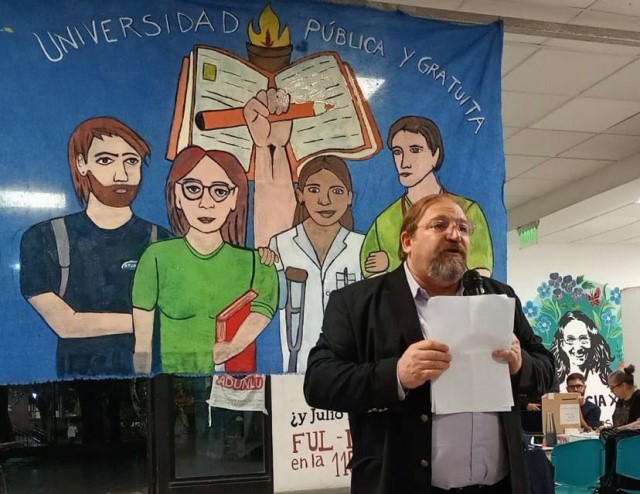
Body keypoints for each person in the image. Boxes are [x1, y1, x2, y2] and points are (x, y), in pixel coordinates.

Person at [304, 193, 555, 494]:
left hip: (500, 486)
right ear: (407, 241)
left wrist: (520, 364)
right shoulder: (357, 303)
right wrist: (396, 375)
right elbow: (319, 382)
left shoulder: (498, 296)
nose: (454, 235)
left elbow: (547, 369)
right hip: (402, 485)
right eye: (439, 225)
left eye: (463, 228)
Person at [19, 117, 171, 445]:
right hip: (79, 384)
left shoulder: (162, 241)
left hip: (149, 394)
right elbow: (66, 324)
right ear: (81, 164)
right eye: (105, 160)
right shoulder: (44, 239)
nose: (121, 174)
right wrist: (147, 320)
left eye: (131, 161)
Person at [132, 146, 278, 374]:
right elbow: (142, 346)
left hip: (234, 384)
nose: (206, 203)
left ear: (234, 197)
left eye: (219, 191)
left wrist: (233, 346)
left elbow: (263, 310)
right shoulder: (156, 258)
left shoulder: (257, 265)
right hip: (171, 384)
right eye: (193, 189)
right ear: (177, 195)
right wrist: (141, 379)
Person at [263, 155, 364, 372]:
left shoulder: (361, 246)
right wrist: (263, 266)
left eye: (336, 191)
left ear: (349, 197)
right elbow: (273, 301)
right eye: (314, 190)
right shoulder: (280, 244)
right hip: (298, 365)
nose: (324, 201)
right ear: (300, 195)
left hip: (350, 366)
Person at [360, 116, 493, 278]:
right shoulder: (382, 223)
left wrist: (392, 262)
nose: (404, 162)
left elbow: (480, 277)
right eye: (397, 152)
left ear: (435, 155)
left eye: (415, 150)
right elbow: (373, 285)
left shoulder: (467, 212)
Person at [551, 310, 613, 387]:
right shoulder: (554, 381)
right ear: (561, 344)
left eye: (583, 339)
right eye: (570, 340)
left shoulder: (605, 379)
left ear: (592, 341)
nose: (578, 348)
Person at [608, 365, 640, 429]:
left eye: (612, 388)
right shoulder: (620, 401)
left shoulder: (638, 397)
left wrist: (621, 429)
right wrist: (608, 428)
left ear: (623, 385)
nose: (611, 391)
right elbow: (619, 425)